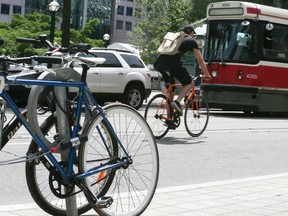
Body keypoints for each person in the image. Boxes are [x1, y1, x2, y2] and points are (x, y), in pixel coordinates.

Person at [154, 25, 211, 116]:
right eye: (194, 34)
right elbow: (200, 60)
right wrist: (207, 74)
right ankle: (177, 102)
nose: (194, 36)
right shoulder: (191, 41)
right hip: (172, 63)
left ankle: (170, 119)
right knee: (189, 83)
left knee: (171, 89)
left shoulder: (175, 37)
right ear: (191, 33)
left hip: (159, 63)